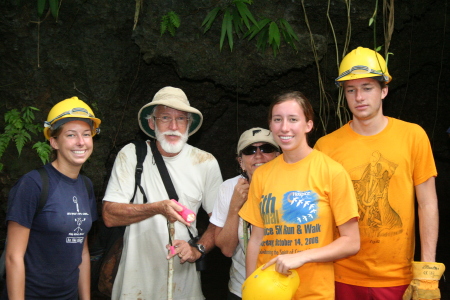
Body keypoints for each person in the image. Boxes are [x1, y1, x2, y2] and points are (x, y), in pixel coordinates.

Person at [314, 47, 444, 299]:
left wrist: (427, 270)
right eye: (350, 90)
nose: (359, 96)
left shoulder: (412, 136)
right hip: (340, 274)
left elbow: (427, 203)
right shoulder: (326, 147)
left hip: (397, 276)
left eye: (367, 87)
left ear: (384, 90)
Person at [102, 86, 223, 300]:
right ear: (152, 123)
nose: (173, 126)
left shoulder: (205, 162)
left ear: (189, 124)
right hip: (135, 281)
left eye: (181, 119)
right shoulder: (132, 155)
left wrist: (198, 249)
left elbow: (220, 220)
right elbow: (110, 215)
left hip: (184, 282)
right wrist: (157, 208)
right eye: (165, 117)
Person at [239, 91, 360, 299]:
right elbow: (256, 239)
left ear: (308, 125)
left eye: (293, 119)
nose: (284, 127)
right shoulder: (262, 175)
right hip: (268, 291)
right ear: (271, 126)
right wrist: (251, 288)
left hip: (313, 291)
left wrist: (301, 257)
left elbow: (351, 241)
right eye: (278, 120)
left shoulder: (332, 171)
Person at [2, 97, 101, 299]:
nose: (81, 142)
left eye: (86, 134)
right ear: (54, 141)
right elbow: (13, 257)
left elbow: (82, 252)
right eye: (71, 135)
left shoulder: (86, 186)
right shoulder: (33, 184)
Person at [210, 127, 280, 300]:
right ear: (240, 161)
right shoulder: (228, 188)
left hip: (284, 284)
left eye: (266, 148)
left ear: (278, 156)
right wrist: (235, 207)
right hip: (241, 288)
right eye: (250, 150)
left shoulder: (293, 185)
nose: (258, 155)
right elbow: (226, 250)